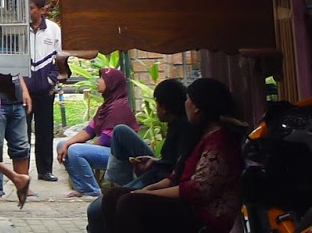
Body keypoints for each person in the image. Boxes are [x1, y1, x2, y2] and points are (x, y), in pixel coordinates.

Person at [98, 77, 244, 233]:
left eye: (188, 99)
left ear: (196, 108)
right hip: (186, 201)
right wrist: (148, 190)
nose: (185, 104)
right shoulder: (201, 134)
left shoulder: (220, 141)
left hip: (202, 213)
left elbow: (197, 190)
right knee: (113, 196)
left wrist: (148, 194)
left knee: (129, 203)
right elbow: (176, 175)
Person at [86, 79, 197, 233]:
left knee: (95, 210)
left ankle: (122, 188)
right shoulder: (176, 125)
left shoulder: (185, 130)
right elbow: (173, 161)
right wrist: (155, 161)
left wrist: (147, 190)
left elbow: (177, 174)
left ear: (164, 108)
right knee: (120, 131)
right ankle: (118, 183)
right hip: (160, 171)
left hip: (163, 178)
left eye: (157, 104)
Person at [57, 66, 139, 198]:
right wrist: (67, 143)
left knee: (75, 151)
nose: (98, 81)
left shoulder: (119, 107)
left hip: (118, 156)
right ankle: (80, 188)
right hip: (107, 151)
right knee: (62, 145)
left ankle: (92, 191)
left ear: (112, 83)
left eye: (102, 78)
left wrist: (79, 148)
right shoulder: (107, 105)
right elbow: (89, 130)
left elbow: (106, 140)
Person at [25, 0, 66, 183]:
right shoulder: (20, 28)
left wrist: (52, 81)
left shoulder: (53, 30)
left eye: (31, 8)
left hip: (45, 90)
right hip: (24, 91)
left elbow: (60, 58)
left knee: (45, 131)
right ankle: (22, 170)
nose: (28, 11)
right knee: (22, 133)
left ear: (42, 10)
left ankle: (45, 170)